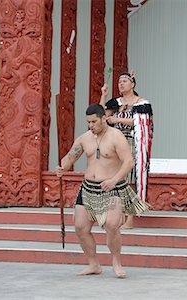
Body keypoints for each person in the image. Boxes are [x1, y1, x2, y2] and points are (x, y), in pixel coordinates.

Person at [56, 104, 148, 278]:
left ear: (103, 118)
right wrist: (62, 167)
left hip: (111, 187)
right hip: (88, 188)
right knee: (80, 227)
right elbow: (70, 157)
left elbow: (128, 162)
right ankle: (93, 264)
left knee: (112, 225)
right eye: (88, 122)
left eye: (93, 121)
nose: (90, 126)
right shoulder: (85, 138)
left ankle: (116, 262)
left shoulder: (116, 137)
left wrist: (114, 180)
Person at [100, 72, 154, 229]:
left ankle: (130, 219)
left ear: (133, 84)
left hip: (132, 141)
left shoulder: (141, 103)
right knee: (118, 180)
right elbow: (101, 115)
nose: (121, 84)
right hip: (116, 142)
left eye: (124, 81)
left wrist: (118, 120)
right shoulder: (115, 102)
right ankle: (120, 217)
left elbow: (142, 122)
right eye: (119, 81)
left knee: (130, 180)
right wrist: (104, 95)